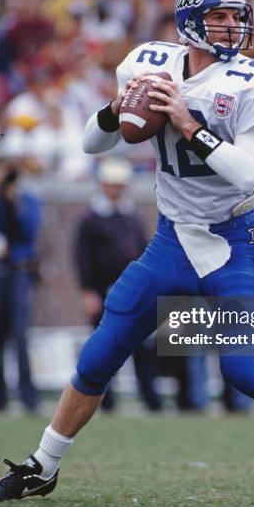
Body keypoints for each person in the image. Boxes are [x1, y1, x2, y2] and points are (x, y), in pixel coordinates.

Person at [0, 0, 254, 501]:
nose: (233, 26)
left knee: (246, 372)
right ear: (190, 21)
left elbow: (247, 173)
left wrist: (189, 124)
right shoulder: (148, 63)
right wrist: (118, 109)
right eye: (220, 16)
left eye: (238, 16)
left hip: (234, 238)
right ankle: (42, 467)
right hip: (171, 238)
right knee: (99, 355)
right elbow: (92, 144)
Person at [74, 157, 161, 412]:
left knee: (141, 346)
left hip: (132, 291)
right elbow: (82, 258)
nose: (116, 190)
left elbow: (145, 250)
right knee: (105, 347)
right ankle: (105, 402)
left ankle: (151, 400)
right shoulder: (90, 219)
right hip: (103, 291)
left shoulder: (131, 217)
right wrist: (88, 291)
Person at [0, 158, 41, 412]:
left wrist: (14, 202)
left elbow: (30, 230)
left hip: (17, 273)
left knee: (20, 336)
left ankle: (27, 396)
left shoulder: (27, 200)